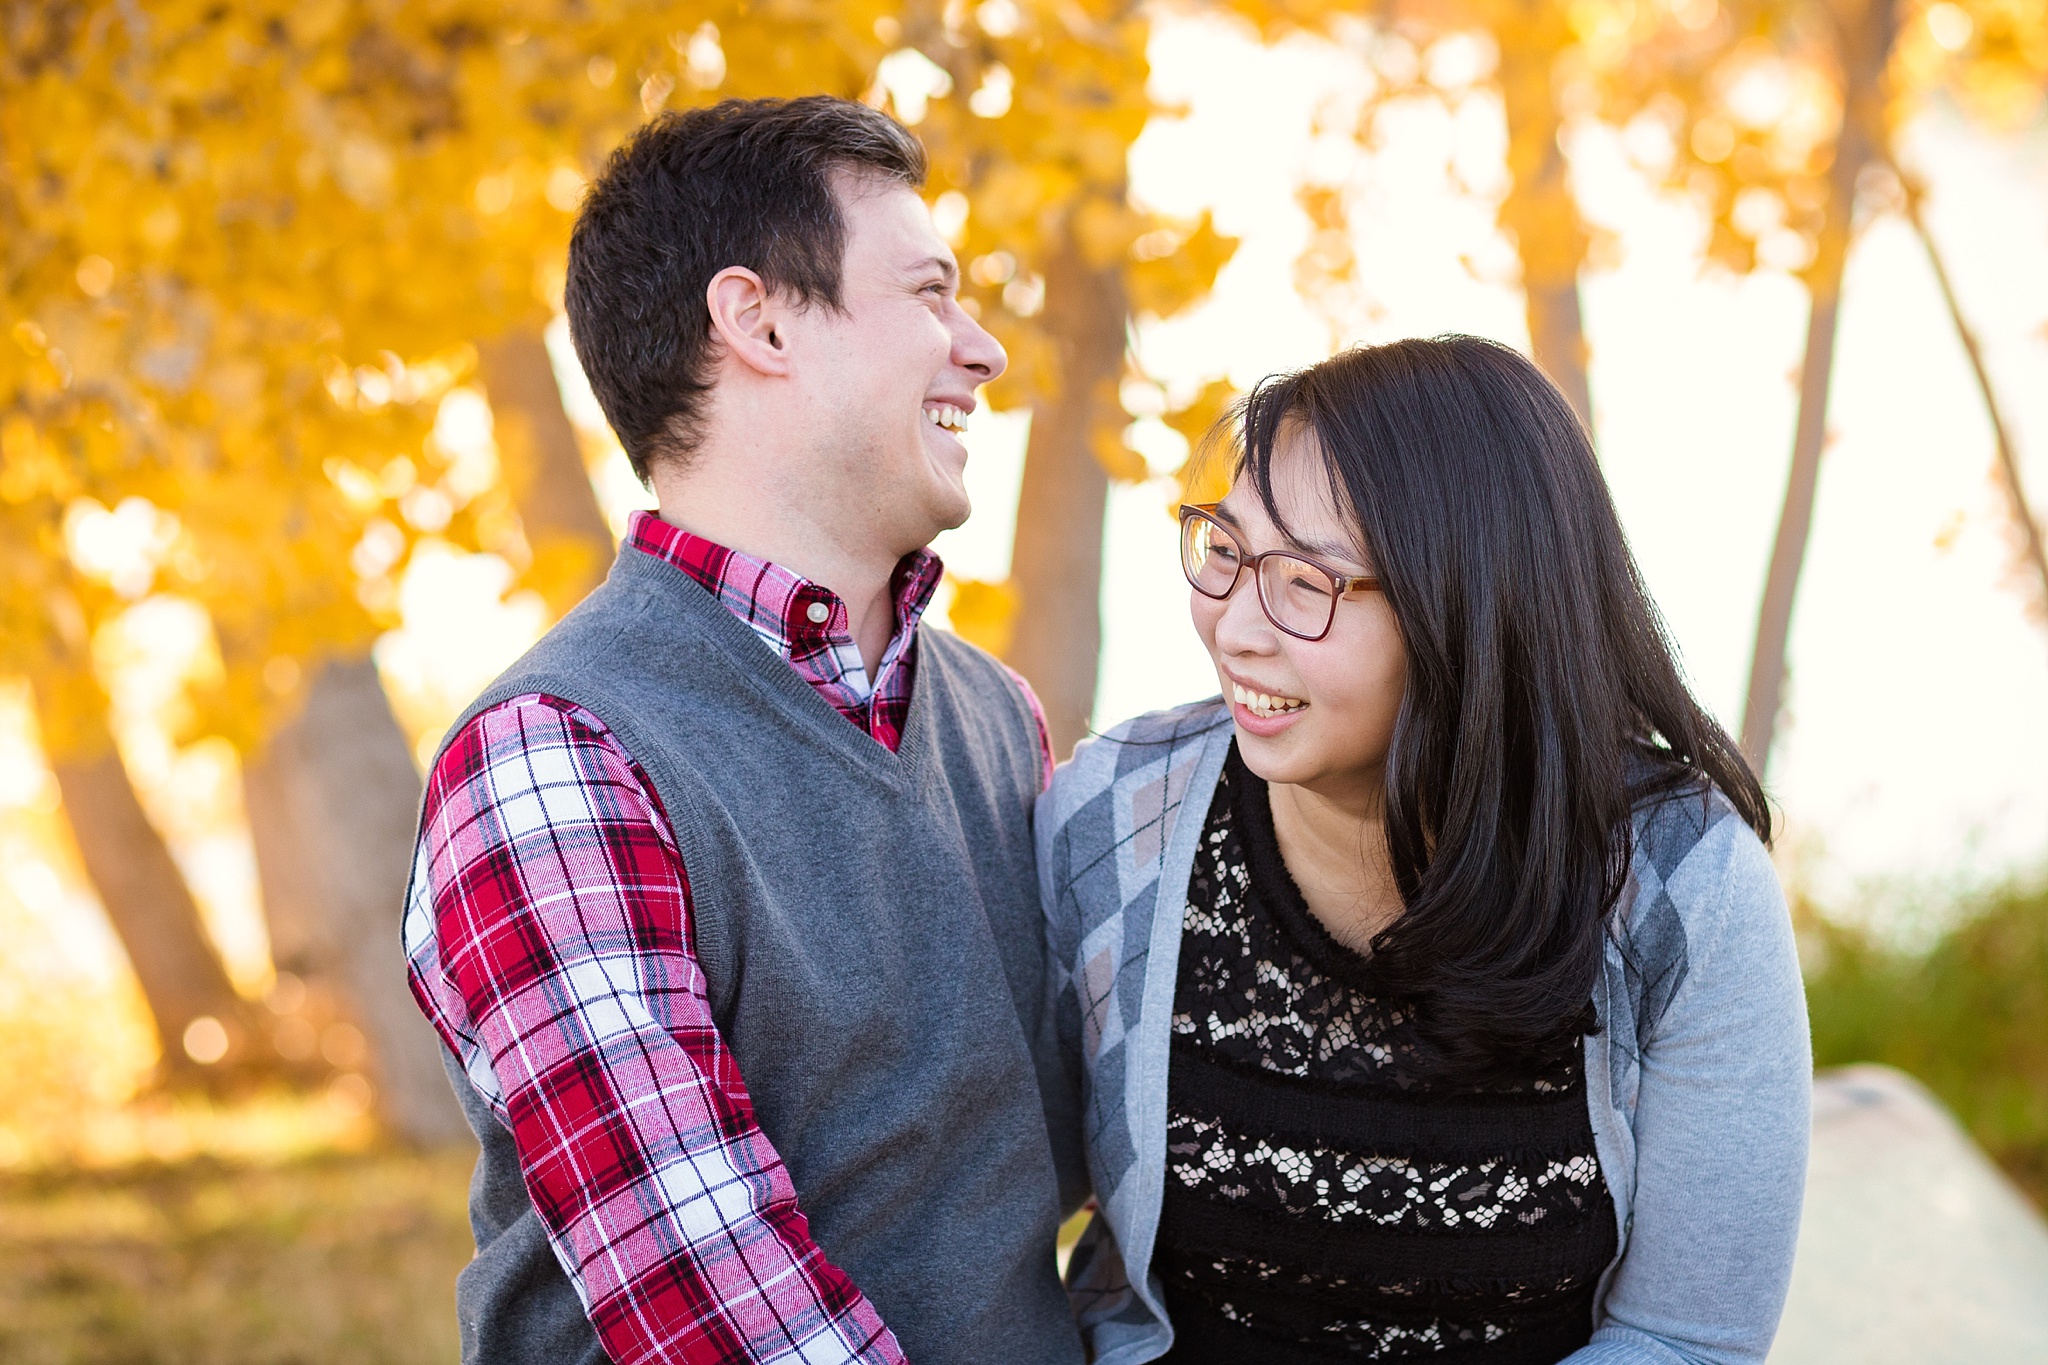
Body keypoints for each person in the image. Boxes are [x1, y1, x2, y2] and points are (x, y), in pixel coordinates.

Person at [403, 97, 1084, 1365]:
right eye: (930, 292)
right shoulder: (557, 755)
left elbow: (1102, 1151)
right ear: (759, 319)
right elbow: (709, 1307)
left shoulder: (997, 718)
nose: (980, 348)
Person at [1038, 336, 1811, 1364]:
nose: (1234, 629)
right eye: (1223, 550)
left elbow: (1684, 1339)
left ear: (1466, 606)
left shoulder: (1679, 886)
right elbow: (983, 1194)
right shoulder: (1116, 818)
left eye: (1304, 581)